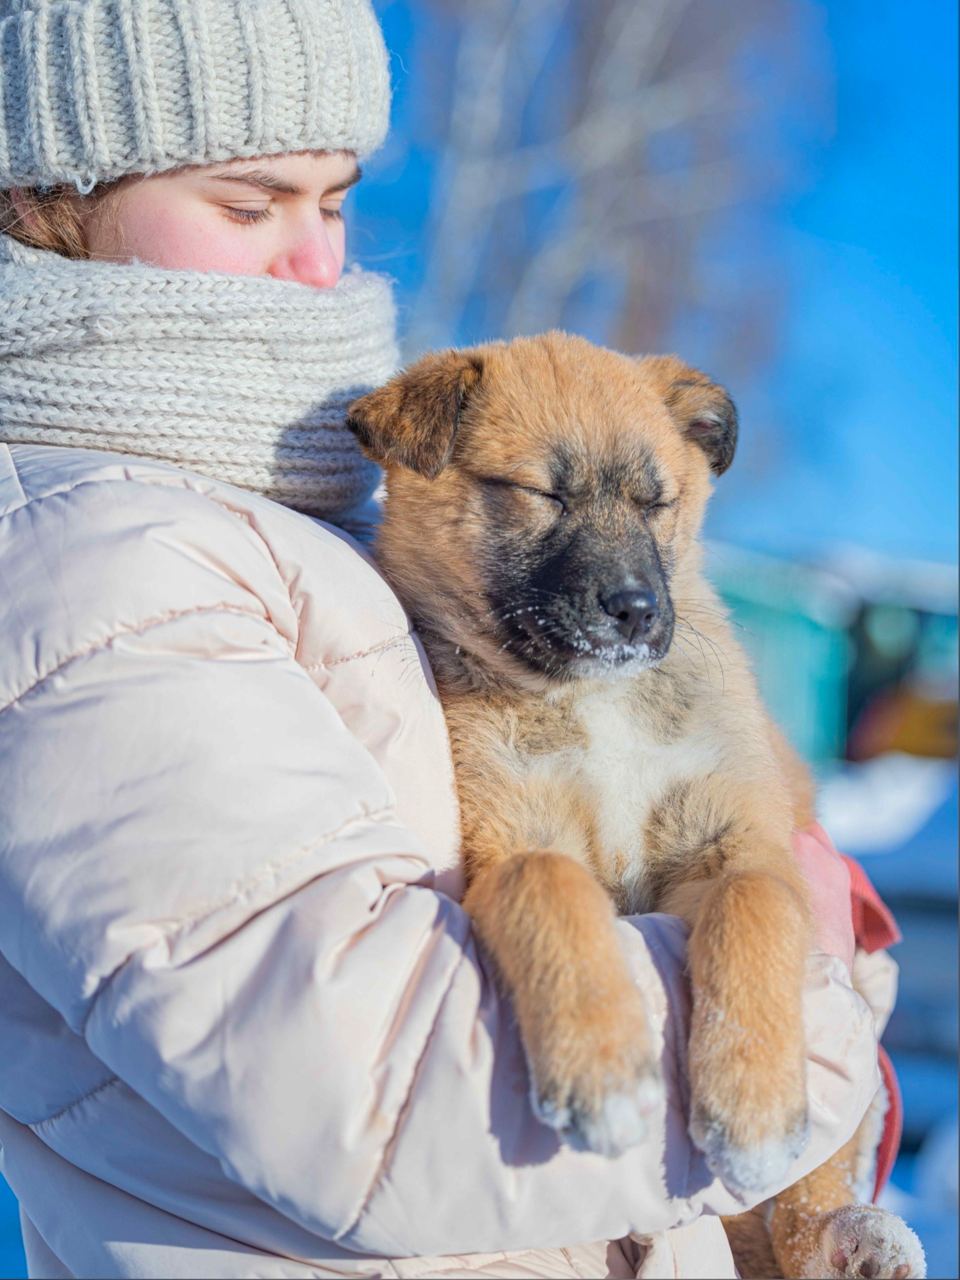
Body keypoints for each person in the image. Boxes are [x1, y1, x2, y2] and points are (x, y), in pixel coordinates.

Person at [0, 1, 888, 1277]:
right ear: (47, 206)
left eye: (338, 202)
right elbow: (373, 1101)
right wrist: (814, 999)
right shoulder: (89, 564)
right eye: (250, 206)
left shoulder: (291, 519)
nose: (315, 261)